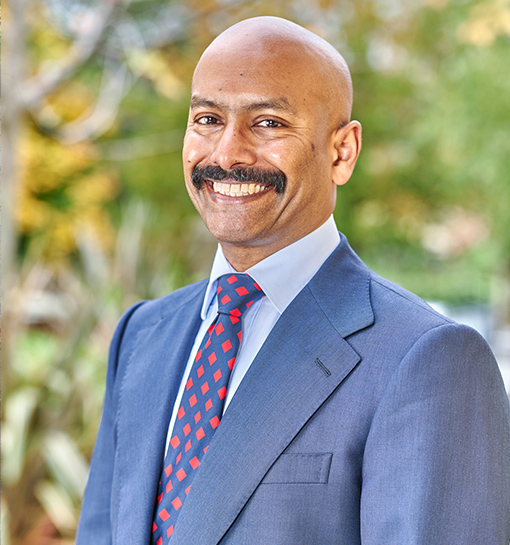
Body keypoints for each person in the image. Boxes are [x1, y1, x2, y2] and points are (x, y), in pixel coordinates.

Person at [76, 16, 510, 545]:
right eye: (208, 119)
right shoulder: (142, 335)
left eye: (268, 124)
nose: (227, 153)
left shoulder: (428, 359)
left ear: (341, 152)